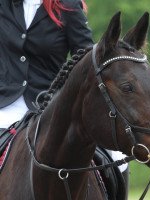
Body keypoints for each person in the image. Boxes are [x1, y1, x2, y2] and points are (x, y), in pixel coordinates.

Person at [0, 0, 129, 197]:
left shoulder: (67, 6)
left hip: (50, 104)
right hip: (5, 102)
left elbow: (87, 57)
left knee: (118, 156)